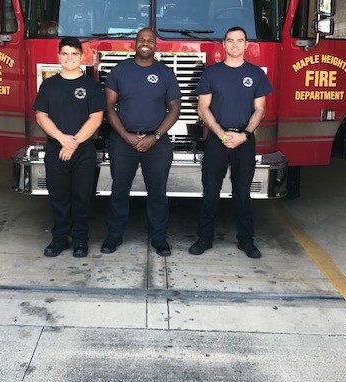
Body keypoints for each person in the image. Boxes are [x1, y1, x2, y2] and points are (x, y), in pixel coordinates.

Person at [189, 26, 273, 259]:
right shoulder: (211, 73)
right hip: (217, 140)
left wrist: (244, 134)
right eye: (230, 41)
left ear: (247, 45)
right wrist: (221, 133)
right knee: (210, 192)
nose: (235, 45)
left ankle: (246, 241)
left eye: (240, 41)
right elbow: (202, 108)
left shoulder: (256, 74)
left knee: (243, 193)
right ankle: (204, 238)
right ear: (223, 45)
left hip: (244, 141)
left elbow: (261, 110)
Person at [101, 27, 181, 257]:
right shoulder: (119, 71)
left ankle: (159, 238)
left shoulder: (165, 73)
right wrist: (126, 136)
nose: (145, 43)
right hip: (122, 141)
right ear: (134, 44)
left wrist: (154, 136)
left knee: (157, 192)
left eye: (150, 40)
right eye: (141, 40)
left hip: (156, 143)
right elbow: (109, 107)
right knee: (119, 191)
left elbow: (174, 108)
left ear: (156, 45)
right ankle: (114, 236)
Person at [33, 37, 105, 258]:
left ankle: (81, 241)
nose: (70, 58)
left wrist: (73, 144)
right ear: (58, 57)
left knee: (82, 198)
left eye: (74, 53)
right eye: (65, 54)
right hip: (56, 150)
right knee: (59, 198)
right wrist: (63, 140)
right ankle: (60, 239)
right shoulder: (49, 85)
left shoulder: (91, 86)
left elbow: (96, 119)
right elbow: (41, 116)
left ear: (82, 56)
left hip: (83, 152)